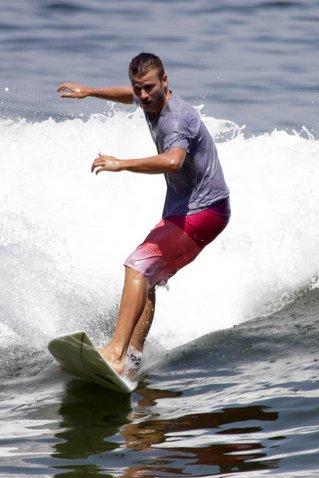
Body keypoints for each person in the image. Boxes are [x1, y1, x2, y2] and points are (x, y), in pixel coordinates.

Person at [57, 52, 230, 377]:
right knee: (147, 276)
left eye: (149, 87)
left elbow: (173, 161)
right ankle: (134, 358)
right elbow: (129, 97)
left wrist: (121, 163)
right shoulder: (150, 100)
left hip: (203, 210)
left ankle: (116, 353)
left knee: (136, 265)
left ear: (165, 81)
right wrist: (90, 91)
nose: (143, 95)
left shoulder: (175, 120)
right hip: (193, 208)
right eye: (139, 88)